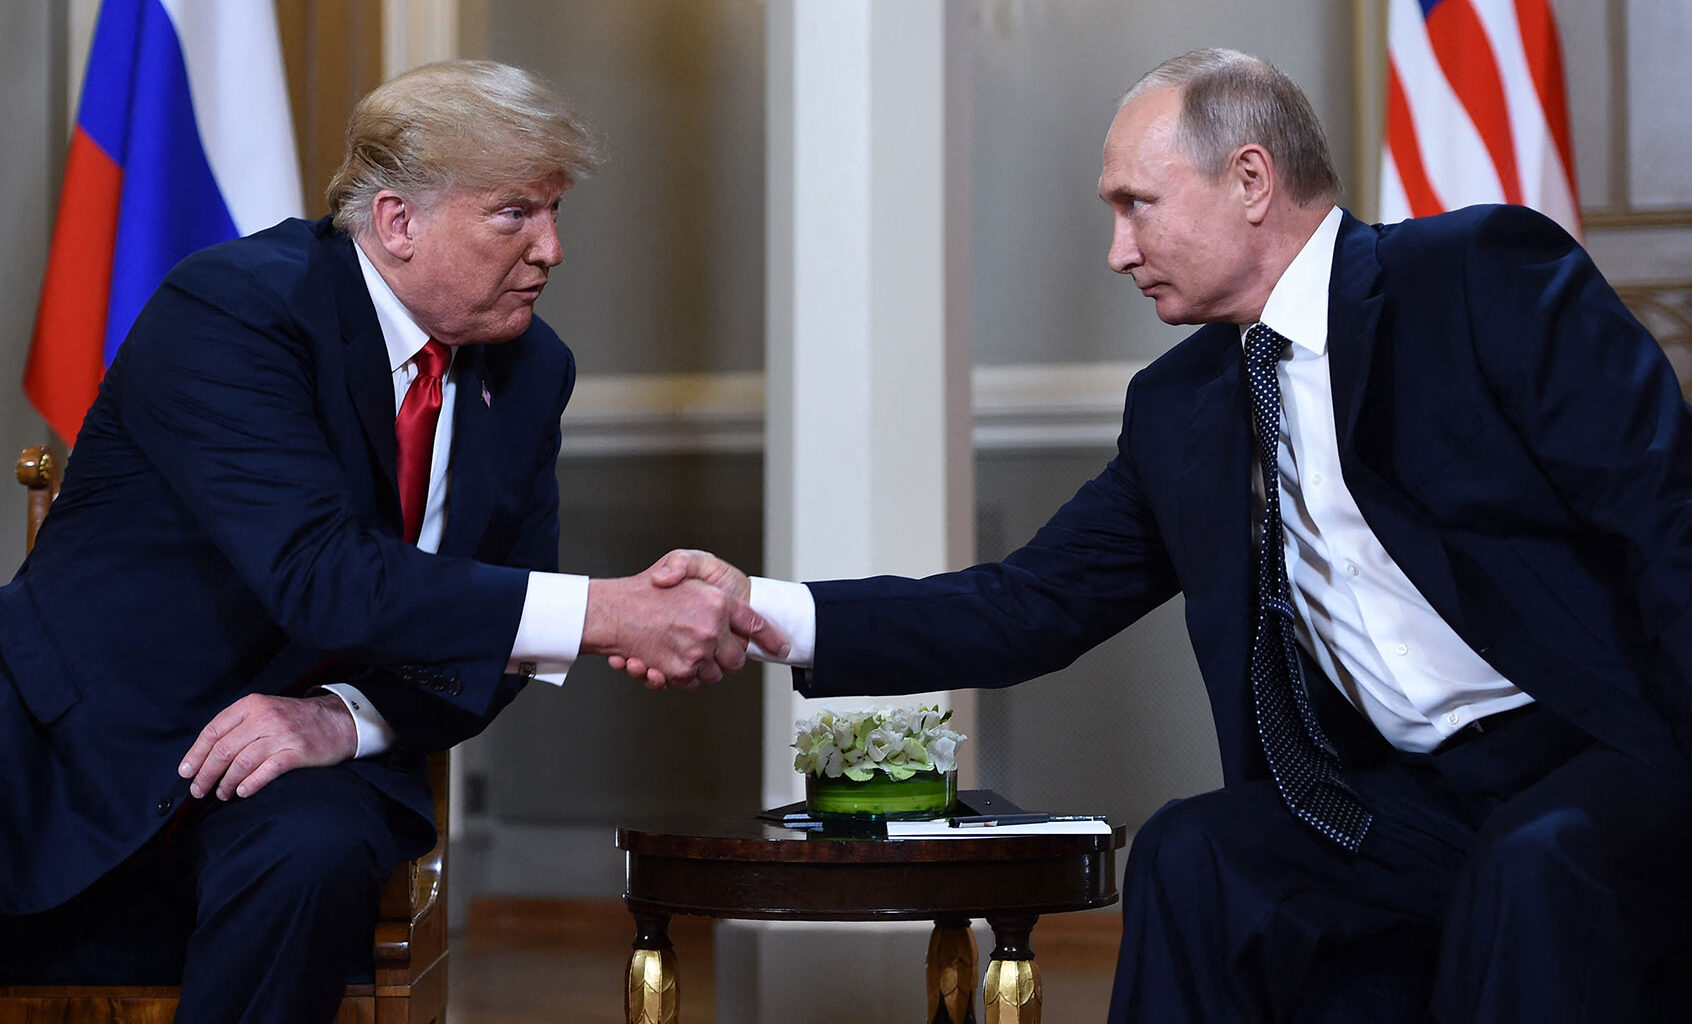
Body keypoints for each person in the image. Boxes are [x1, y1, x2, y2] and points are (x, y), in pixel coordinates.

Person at [645, 48, 1692, 1023]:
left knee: (1536, 860)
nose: (1116, 252)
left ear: (1249, 180)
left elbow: (1665, 516)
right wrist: (763, 607)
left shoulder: (1475, 274)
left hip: (1602, 753)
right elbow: (1030, 604)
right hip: (1406, 798)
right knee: (1197, 850)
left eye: (1135, 207)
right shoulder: (1181, 405)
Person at [0, 60, 783, 1021]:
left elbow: (499, 630)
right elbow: (319, 574)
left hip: (299, 766)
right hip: (81, 746)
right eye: (515, 215)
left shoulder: (532, 371)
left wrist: (345, 719)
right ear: (398, 222)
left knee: (312, 852)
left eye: (554, 212)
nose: (552, 249)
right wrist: (612, 612)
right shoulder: (237, 309)